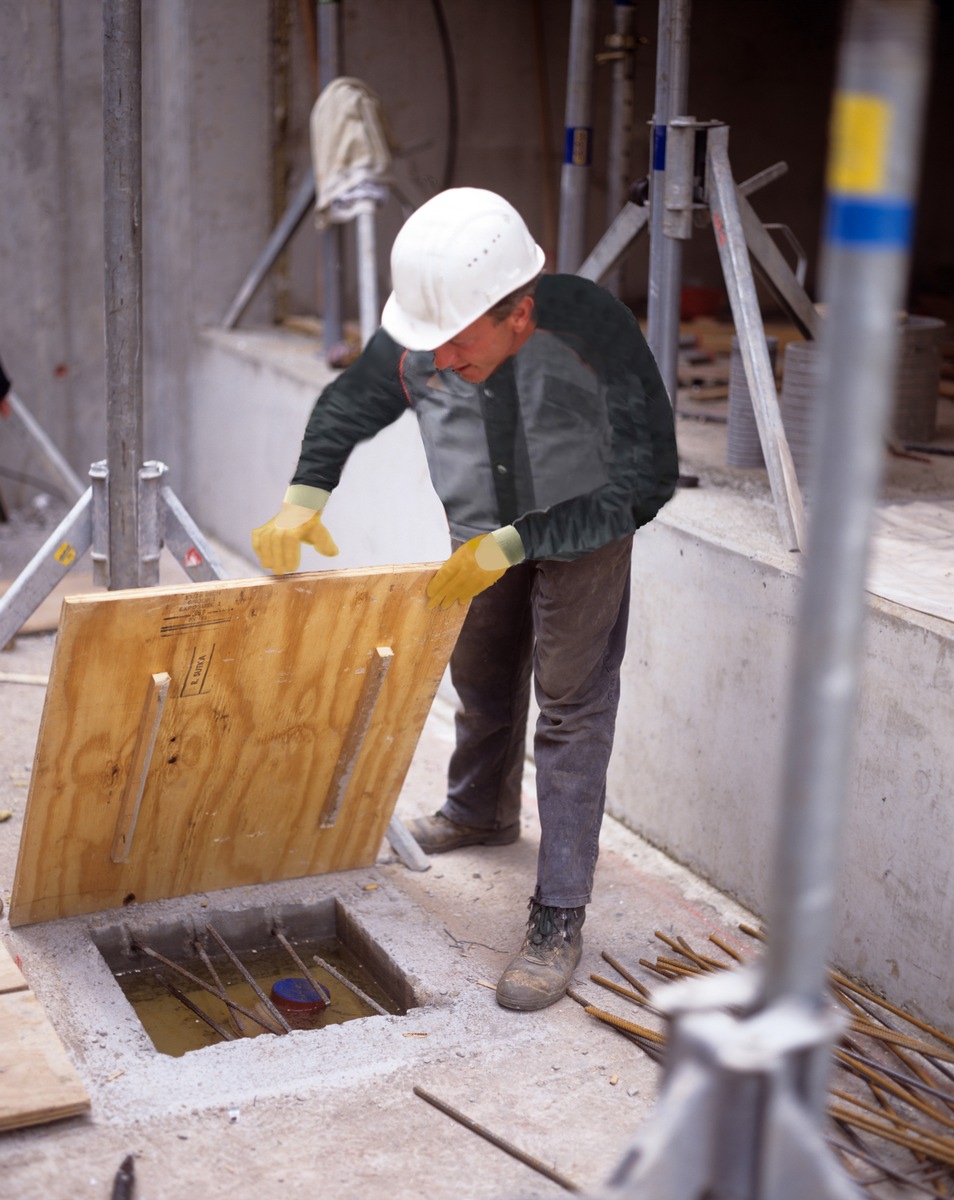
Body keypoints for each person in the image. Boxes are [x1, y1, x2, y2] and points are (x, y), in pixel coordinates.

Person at [252, 187, 678, 1012]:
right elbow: (353, 399)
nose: (436, 360)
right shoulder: (429, 338)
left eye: (454, 343)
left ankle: (558, 914)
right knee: (479, 671)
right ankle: (481, 810)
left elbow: (644, 483)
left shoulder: (596, 340)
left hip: (584, 535)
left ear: (520, 311)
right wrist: (305, 493)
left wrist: (516, 544)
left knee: (569, 705)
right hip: (479, 530)